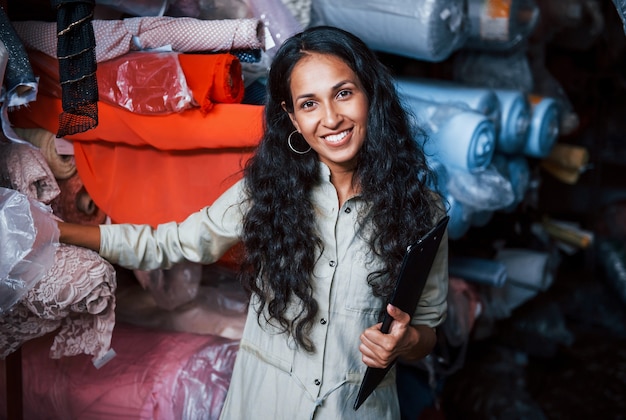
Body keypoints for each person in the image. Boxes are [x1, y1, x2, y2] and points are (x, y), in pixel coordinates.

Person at [59, 25, 448, 419]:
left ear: (370, 94)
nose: (331, 118)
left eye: (343, 93)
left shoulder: (422, 211)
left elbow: (427, 328)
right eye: (309, 104)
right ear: (292, 117)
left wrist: (406, 341)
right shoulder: (268, 190)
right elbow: (170, 243)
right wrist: (63, 231)